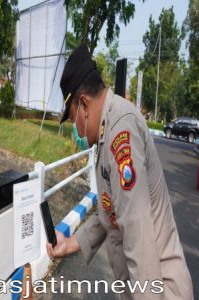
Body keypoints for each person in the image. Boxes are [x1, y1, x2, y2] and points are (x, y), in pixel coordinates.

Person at [46, 43, 194, 299]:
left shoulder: (120, 133)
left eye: (73, 120)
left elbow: (138, 233)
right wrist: (67, 243)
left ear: (83, 105)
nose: (77, 130)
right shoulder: (107, 132)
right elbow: (110, 211)